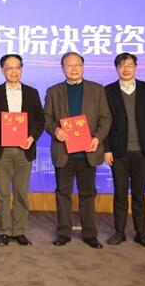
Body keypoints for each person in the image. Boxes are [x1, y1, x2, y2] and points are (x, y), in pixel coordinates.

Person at [44, 52, 112, 249]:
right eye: (69, 65)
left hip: (88, 152)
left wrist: (97, 138)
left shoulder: (97, 90)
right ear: (62, 68)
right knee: (63, 194)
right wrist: (56, 130)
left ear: (83, 67)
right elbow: (46, 118)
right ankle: (64, 233)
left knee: (88, 194)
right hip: (63, 152)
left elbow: (106, 118)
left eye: (77, 65)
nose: (73, 69)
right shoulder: (53, 91)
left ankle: (90, 234)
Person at [0, 54, 45, 246]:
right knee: (3, 193)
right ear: (3, 70)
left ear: (21, 69)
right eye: (9, 68)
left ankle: (19, 230)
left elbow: (40, 120)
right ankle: (4, 231)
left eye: (17, 67)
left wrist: (32, 137)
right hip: (1, 150)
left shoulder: (32, 93)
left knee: (21, 193)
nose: (14, 71)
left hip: (25, 149)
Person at [104, 53, 145, 248]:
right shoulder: (108, 91)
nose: (126, 69)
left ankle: (141, 233)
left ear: (136, 67)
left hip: (143, 151)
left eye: (129, 65)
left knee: (139, 194)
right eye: (121, 65)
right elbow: (104, 122)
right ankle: (119, 232)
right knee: (120, 194)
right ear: (116, 69)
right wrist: (107, 149)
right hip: (118, 152)